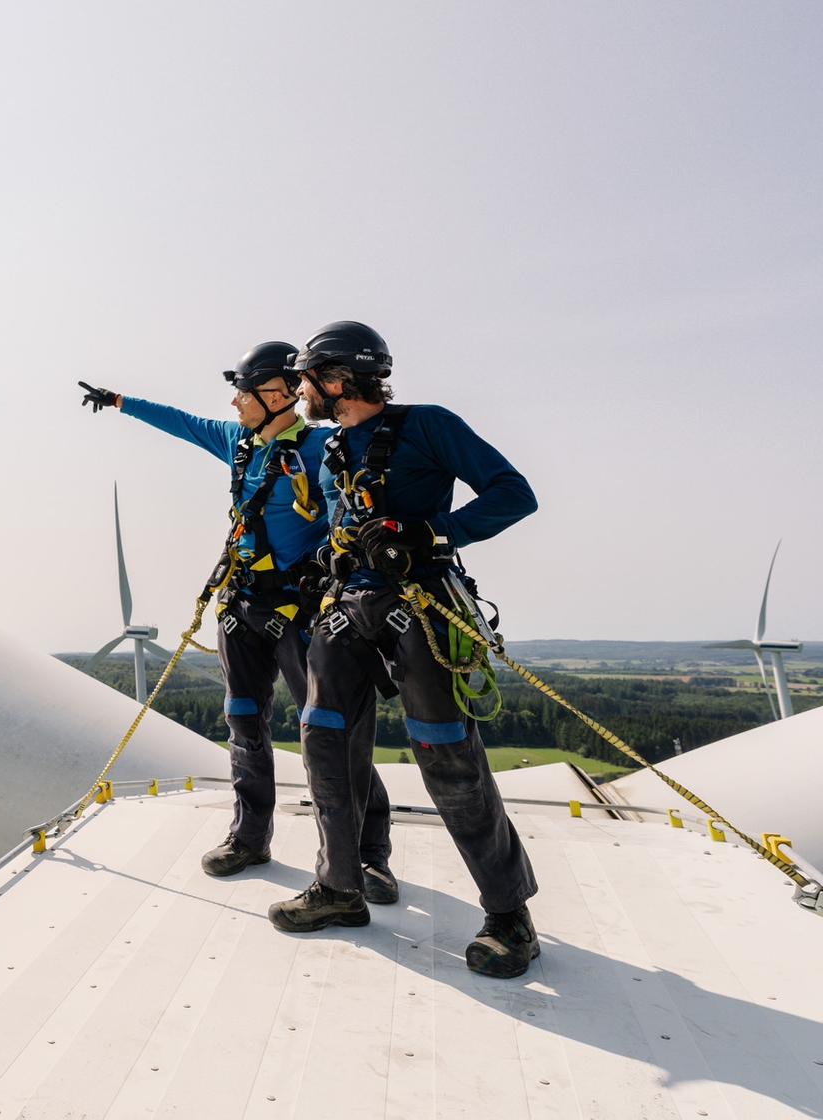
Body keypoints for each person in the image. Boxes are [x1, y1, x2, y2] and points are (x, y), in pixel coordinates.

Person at [269, 320, 541, 979]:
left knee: (447, 754)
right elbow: (342, 526)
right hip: (345, 609)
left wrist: (432, 533)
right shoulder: (333, 448)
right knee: (324, 741)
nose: (299, 390)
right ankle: (339, 886)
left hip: (419, 607)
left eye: (305, 379)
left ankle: (510, 915)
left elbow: (514, 494)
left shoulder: (429, 425)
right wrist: (321, 564)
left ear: (336, 380)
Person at [79, 345, 393, 896]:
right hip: (242, 605)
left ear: (277, 396)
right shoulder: (238, 443)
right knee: (244, 724)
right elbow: (181, 422)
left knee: (336, 734)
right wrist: (121, 401)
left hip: (302, 610)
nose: (233, 404)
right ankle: (249, 837)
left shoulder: (325, 448)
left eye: (243, 394)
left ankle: (368, 856)